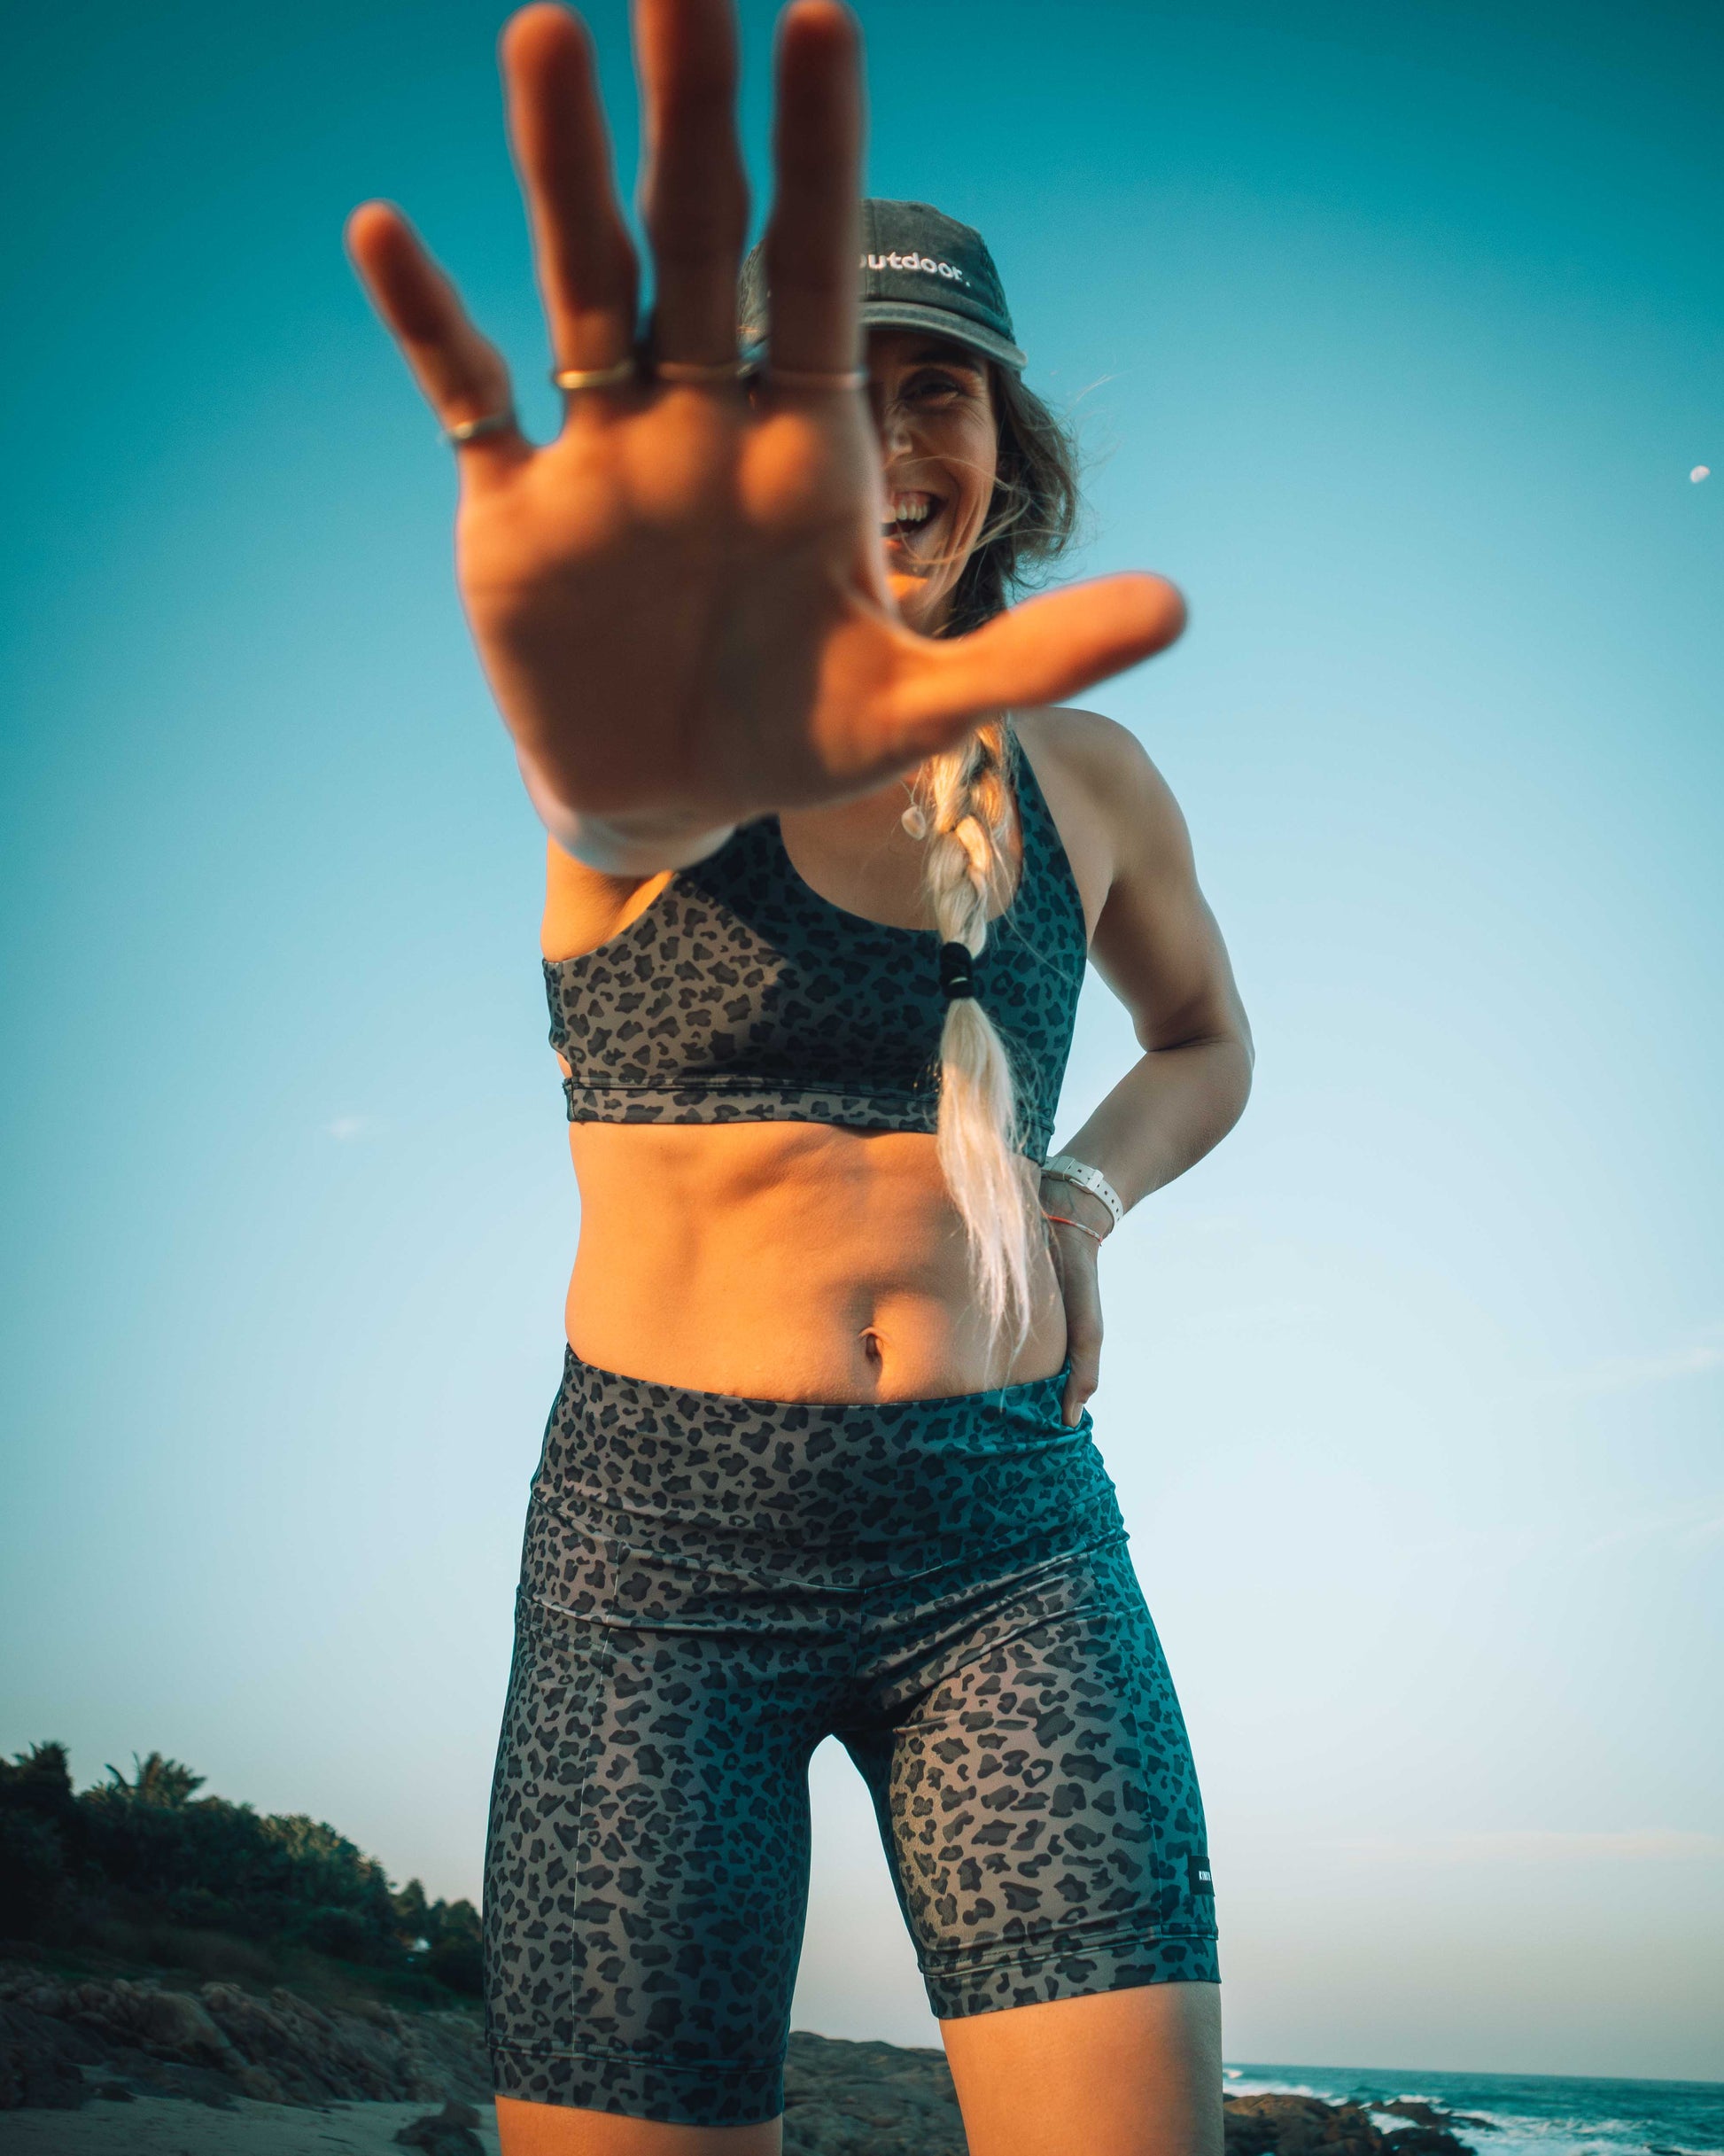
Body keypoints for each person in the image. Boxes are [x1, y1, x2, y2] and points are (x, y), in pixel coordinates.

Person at [347, 2, 1253, 2149]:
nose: (887, 446)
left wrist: (1082, 1191)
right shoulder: (652, 751)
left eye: (928, 388)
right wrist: (621, 744)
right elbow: (617, 812)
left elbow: (1204, 1041)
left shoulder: (1093, 773)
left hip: (1007, 1538)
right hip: (655, 1564)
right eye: (824, 404)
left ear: (999, 437)